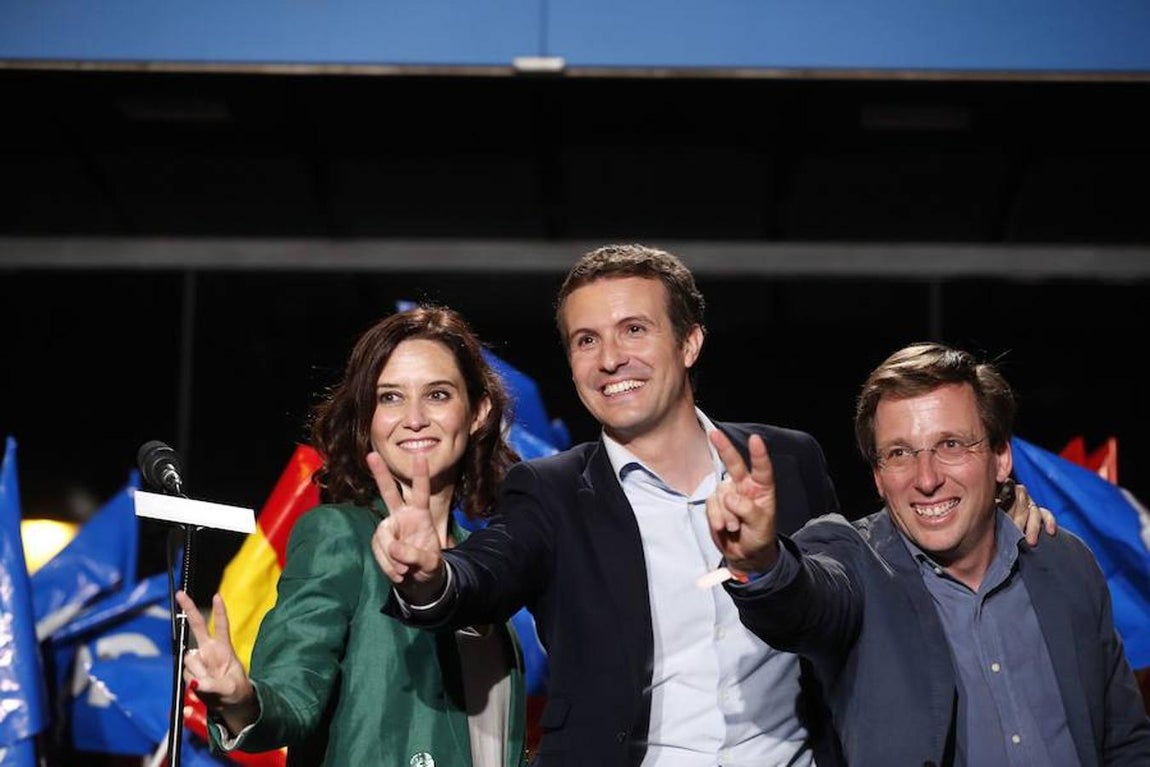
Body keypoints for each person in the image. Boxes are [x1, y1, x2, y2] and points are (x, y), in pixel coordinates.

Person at [372, 245, 1054, 766]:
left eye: (634, 329)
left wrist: (998, 512)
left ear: (689, 341)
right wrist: (433, 576)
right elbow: (485, 573)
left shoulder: (787, 461)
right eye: (586, 340)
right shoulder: (550, 490)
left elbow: (867, 574)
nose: (610, 357)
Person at [708, 341, 1150, 766]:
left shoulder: (1065, 561)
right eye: (899, 453)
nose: (926, 478)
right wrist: (760, 562)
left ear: (1000, 458)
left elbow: (1123, 738)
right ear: (879, 478)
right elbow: (803, 603)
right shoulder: (853, 560)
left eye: (951, 445)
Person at [174, 306, 529, 767]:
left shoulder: (485, 563)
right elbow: (294, 688)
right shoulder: (338, 534)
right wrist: (242, 700)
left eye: (438, 394)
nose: (414, 417)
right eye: (390, 398)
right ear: (368, 421)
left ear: (478, 411)